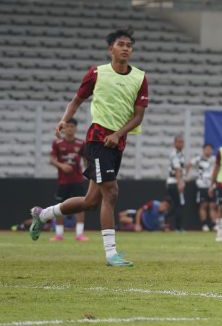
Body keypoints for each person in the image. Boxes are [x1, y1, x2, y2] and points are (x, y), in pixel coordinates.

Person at [27, 28, 149, 267]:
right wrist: (64, 119)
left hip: (116, 142)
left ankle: (43, 215)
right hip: (97, 140)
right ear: (110, 49)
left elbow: (138, 117)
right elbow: (77, 100)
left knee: (91, 201)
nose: (126, 48)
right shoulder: (96, 73)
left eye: (129, 45)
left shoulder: (140, 78)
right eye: (121, 44)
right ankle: (111, 254)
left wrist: (118, 134)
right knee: (111, 193)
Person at [48, 118, 88, 242]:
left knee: (81, 206)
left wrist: (88, 171)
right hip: (63, 181)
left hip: (78, 180)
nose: (70, 129)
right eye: (68, 126)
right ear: (63, 128)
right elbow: (52, 159)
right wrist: (62, 166)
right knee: (60, 206)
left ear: (76, 128)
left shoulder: (81, 143)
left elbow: (86, 159)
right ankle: (59, 234)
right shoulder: (57, 143)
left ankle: (79, 234)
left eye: (72, 126)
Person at [189, 143, 217, 231]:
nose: (208, 150)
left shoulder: (214, 159)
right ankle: (204, 225)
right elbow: (189, 165)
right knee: (203, 205)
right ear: (203, 149)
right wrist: (186, 176)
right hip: (202, 185)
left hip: (212, 186)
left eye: (210, 149)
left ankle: (214, 224)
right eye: (207, 149)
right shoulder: (198, 159)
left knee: (213, 206)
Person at [165, 135, 187, 232]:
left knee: (178, 205)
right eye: (179, 142)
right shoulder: (175, 154)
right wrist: (179, 184)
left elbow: (181, 170)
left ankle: (169, 222)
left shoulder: (181, 154)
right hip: (174, 182)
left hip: (177, 182)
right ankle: (176, 227)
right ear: (174, 143)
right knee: (178, 205)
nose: (181, 144)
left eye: (182, 142)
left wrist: (183, 180)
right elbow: (177, 170)